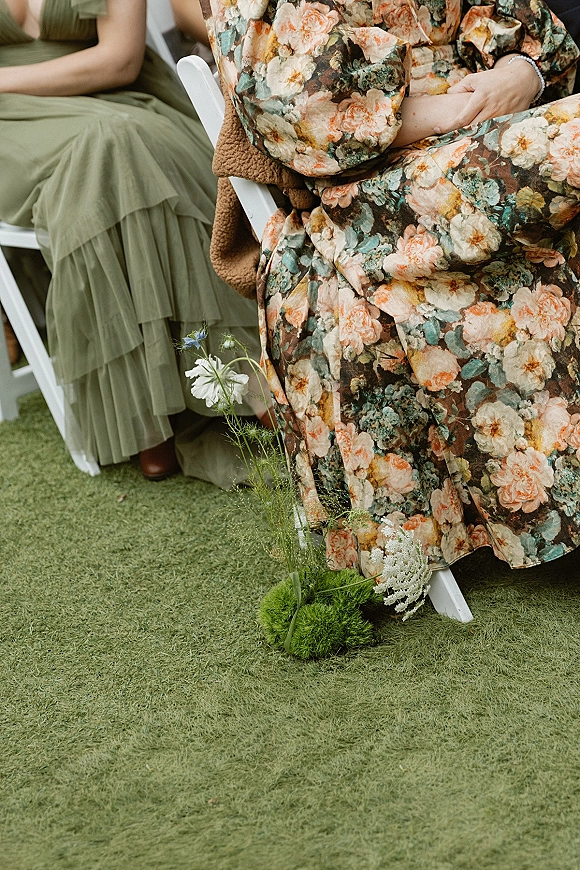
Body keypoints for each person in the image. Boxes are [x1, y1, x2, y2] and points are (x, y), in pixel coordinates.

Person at [200, 0, 580, 573]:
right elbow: (298, 108)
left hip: (493, 120)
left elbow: (518, 21)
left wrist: (520, 74)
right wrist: (463, 110)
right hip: (372, 184)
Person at [0, 0, 262, 485]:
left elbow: (118, 60)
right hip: (10, 124)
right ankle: (153, 413)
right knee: (106, 153)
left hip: (116, 99)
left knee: (117, 147)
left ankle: (191, 396)